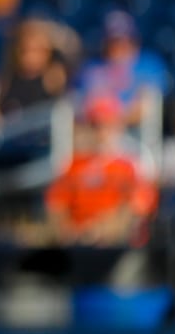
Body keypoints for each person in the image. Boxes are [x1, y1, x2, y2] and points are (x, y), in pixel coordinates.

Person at [44, 96, 158, 247]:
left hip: (116, 245)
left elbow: (137, 208)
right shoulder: (74, 164)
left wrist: (102, 229)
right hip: (76, 244)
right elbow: (56, 204)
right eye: (95, 125)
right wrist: (70, 231)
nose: (101, 131)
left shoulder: (131, 165)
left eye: (107, 124)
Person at [75, 10, 169, 127]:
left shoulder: (150, 65)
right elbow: (83, 105)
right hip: (97, 132)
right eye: (114, 42)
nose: (119, 47)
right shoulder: (92, 68)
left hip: (136, 134)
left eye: (125, 40)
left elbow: (150, 104)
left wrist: (118, 121)